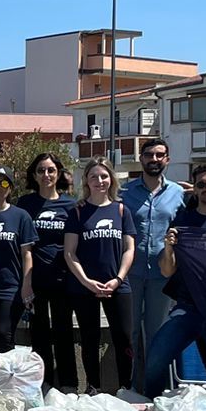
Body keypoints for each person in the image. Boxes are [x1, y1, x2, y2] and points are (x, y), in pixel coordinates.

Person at [141, 163, 206, 396]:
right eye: (201, 184)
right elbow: (167, 271)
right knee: (154, 363)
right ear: (194, 190)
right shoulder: (182, 222)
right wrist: (168, 246)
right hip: (187, 310)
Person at [63, 161, 136, 394]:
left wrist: (118, 278)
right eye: (94, 177)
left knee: (124, 337)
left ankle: (126, 387)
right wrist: (86, 281)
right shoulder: (77, 212)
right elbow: (69, 252)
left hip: (117, 285)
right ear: (86, 181)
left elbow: (129, 248)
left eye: (104, 176)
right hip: (85, 287)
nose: (100, 181)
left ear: (111, 179)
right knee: (89, 338)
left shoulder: (122, 210)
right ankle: (93, 388)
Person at [121, 136, 186, 387]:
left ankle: (156, 388)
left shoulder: (178, 193)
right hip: (132, 274)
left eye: (160, 155)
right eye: (149, 155)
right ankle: (131, 387)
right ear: (141, 159)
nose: (154, 159)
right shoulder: (125, 193)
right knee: (131, 334)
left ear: (167, 160)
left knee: (158, 335)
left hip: (163, 274)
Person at [19, 153, 79, 392]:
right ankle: (43, 384)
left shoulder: (71, 205)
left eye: (51, 170)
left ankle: (69, 384)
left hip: (64, 279)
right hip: (35, 279)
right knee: (39, 334)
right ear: (34, 175)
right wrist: (26, 282)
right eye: (41, 170)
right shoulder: (25, 205)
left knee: (64, 332)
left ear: (58, 173)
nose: (46, 175)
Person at [0, 165, 35, 354]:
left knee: (4, 334)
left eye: (3, 183)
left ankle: (8, 381)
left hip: (10, 288)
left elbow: (27, 254)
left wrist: (27, 285)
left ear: (10, 188)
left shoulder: (20, 216)